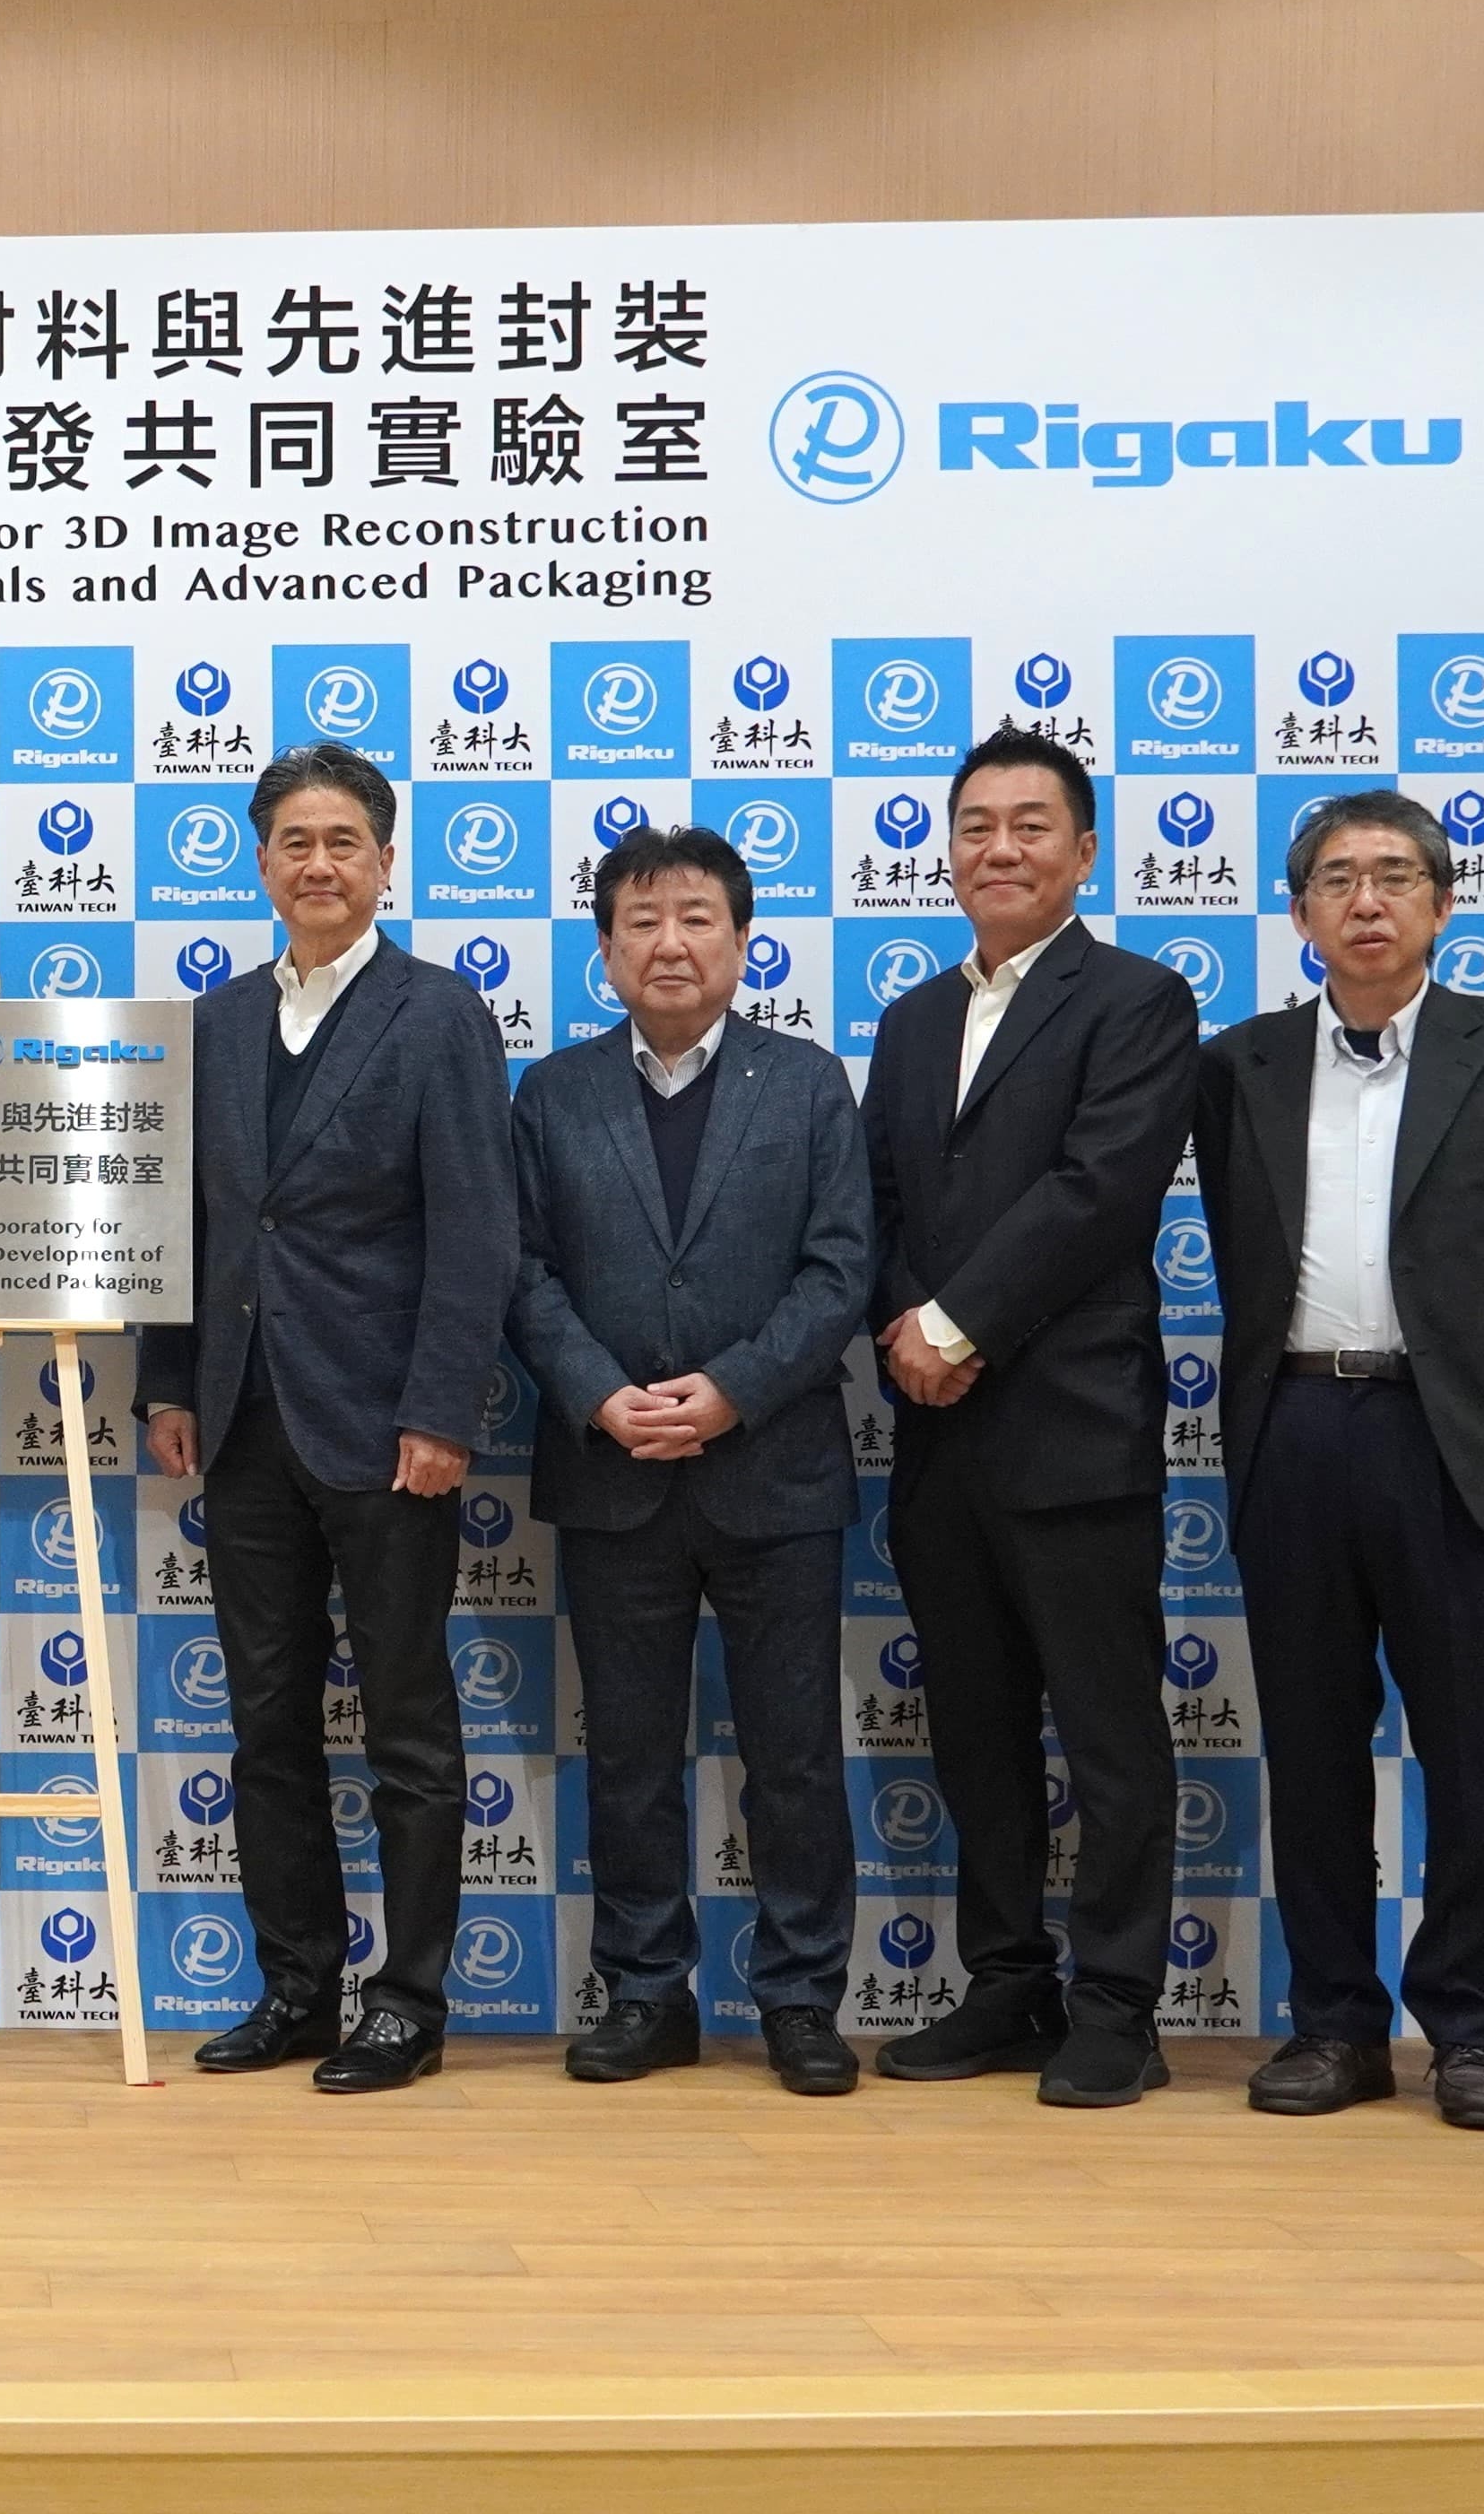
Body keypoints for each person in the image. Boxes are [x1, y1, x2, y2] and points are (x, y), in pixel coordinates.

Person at [1192, 791, 1484, 2132]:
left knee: (1468, 1749)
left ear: (1440, 901)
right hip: (1292, 1427)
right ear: (1298, 912)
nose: (1365, 900)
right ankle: (1330, 2028)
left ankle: (1473, 2032)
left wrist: (1480, 1389)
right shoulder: (1236, 1064)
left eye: (1394, 876)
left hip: (1444, 1433)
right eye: (1336, 879)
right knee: (1308, 1748)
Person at [135, 741, 517, 2094]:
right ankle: (295, 1987)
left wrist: (440, 1409)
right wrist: (168, 1380)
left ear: (384, 861)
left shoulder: (437, 1013)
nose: (317, 865)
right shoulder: (219, 1022)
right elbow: (184, 1221)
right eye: (293, 842)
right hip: (241, 1424)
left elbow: (477, 1230)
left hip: (386, 1426)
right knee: (265, 1726)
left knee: (407, 1729)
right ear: (259, 862)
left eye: (343, 841)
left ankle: (406, 2003)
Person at [861, 727, 1197, 2109]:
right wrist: (901, 1327)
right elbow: (873, 1202)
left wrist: (954, 1326)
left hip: (1069, 1426)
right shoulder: (909, 1018)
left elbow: (1096, 1188)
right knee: (976, 1731)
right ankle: (1005, 1983)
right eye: (975, 826)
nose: (998, 849)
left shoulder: (1137, 998)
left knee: (1109, 1734)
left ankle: (1116, 2005)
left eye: (1029, 826)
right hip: (935, 1434)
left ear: (1082, 851)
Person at [508, 823, 871, 2097]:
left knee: (792, 1751)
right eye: (642, 920)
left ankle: (799, 1999)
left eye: (697, 917)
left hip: (772, 1472)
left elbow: (841, 1269)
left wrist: (730, 1394)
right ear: (604, 948)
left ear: (740, 938)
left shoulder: (809, 1082)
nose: (670, 942)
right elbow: (525, 1273)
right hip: (611, 1475)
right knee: (627, 1752)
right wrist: (603, 1397)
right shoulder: (550, 1095)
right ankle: (645, 1993)